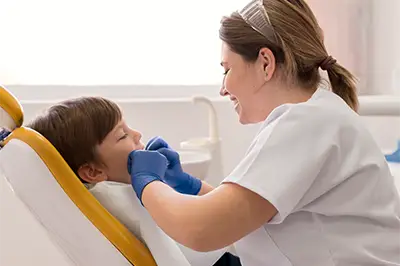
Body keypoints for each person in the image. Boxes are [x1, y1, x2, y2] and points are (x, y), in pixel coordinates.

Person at [127, 0, 400, 265]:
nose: (223, 88)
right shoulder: (317, 116)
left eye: (227, 69)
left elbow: (202, 229)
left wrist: (147, 182)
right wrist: (191, 187)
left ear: (266, 63)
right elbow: (246, 221)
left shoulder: (306, 123)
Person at [26, 96, 241, 266]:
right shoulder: (123, 199)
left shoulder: (105, 197)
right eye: (122, 135)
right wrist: (154, 183)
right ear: (92, 171)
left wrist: (184, 184)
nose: (137, 134)